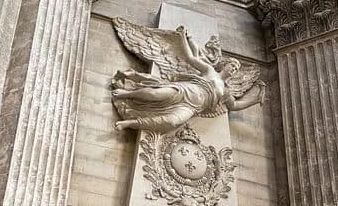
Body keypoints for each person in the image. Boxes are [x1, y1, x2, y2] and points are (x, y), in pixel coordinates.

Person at [112, 26, 264, 133]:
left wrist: (255, 100)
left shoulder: (225, 90)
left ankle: (131, 123)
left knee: (172, 122)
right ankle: (127, 94)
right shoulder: (210, 70)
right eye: (232, 66)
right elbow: (190, 58)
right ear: (224, 65)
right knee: (154, 95)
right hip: (185, 91)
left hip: (192, 108)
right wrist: (182, 38)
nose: (233, 69)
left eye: (236, 69)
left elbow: (234, 105)